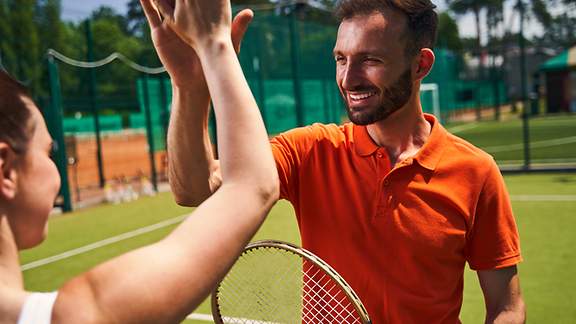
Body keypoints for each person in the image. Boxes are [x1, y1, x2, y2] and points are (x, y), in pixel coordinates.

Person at [159, 0, 525, 322]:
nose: (348, 78)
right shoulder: (310, 149)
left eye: (371, 60)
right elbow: (195, 187)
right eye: (341, 59)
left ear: (420, 65)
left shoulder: (476, 171)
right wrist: (189, 87)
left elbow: (506, 307)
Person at [0, 0, 278, 322]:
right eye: (49, 153)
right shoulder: (71, 316)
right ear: (6, 170)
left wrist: (189, 83)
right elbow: (251, 185)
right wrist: (214, 43)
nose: (55, 168)